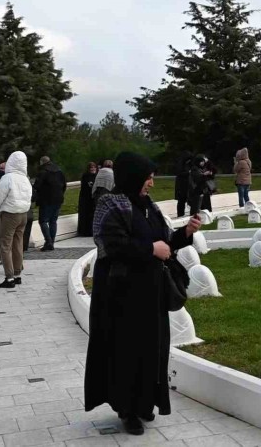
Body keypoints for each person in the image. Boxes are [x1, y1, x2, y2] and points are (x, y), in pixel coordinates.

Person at [84, 151, 201, 435]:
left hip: (151, 295)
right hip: (122, 298)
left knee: (151, 351)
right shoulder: (110, 205)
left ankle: (145, 402)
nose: (151, 183)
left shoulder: (148, 206)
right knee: (126, 353)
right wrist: (150, 249)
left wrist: (185, 233)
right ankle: (127, 410)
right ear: (133, 177)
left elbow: (165, 242)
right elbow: (111, 246)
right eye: (148, 178)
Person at [0, 151, 33, 288]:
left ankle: (9, 278)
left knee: (5, 245)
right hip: (23, 214)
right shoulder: (25, 179)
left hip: (10, 214)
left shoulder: (7, 178)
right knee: (18, 244)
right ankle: (17, 274)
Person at [34, 156, 67, 251]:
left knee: (43, 221)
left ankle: (48, 242)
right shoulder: (59, 171)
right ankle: (51, 242)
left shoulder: (43, 172)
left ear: (42, 162)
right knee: (53, 221)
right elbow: (64, 185)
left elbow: (37, 186)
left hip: (46, 200)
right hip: (58, 199)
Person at [77, 162, 98, 236]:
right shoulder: (85, 176)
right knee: (86, 215)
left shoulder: (97, 176)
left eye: (94, 167)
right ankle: (85, 231)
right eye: (91, 167)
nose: (93, 169)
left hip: (93, 199)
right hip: (86, 199)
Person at [173, 152, 192, 217]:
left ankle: (183, 213)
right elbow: (179, 173)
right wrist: (188, 172)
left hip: (186, 184)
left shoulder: (187, 164)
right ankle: (180, 214)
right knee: (181, 200)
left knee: (185, 199)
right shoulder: (180, 164)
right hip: (181, 185)